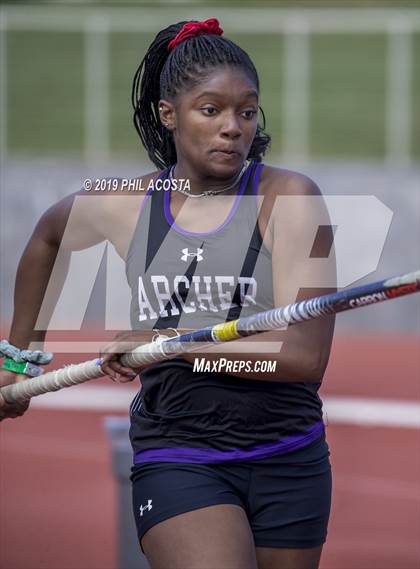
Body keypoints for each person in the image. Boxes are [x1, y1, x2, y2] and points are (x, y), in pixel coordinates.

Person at [1, 18, 336, 569]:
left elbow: (303, 357)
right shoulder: (126, 199)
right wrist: (17, 359)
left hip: (290, 454)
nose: (233, 127)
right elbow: (48, 236)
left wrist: (171, 342)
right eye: (211, 110)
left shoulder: (292, 196)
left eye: (246, 112)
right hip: (179, 452)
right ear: (169, 115)